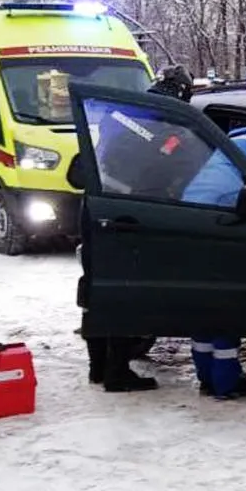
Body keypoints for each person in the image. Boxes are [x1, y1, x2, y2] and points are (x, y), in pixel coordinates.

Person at [82, 67, 201, 392]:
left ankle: (98, 367)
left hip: (96, 205)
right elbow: (188, 168)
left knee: (96, 286)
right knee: (127, 293)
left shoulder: (120, 109)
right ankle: (117, 372)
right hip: (132, 212)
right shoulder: (171, 124)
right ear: (182, 93)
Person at [179, 125, 246, 400]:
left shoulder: (229, 143)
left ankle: (206, 378)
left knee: (204, 308)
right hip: (225, 220)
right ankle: (226, 383)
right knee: (227, 309)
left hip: (189, 216)